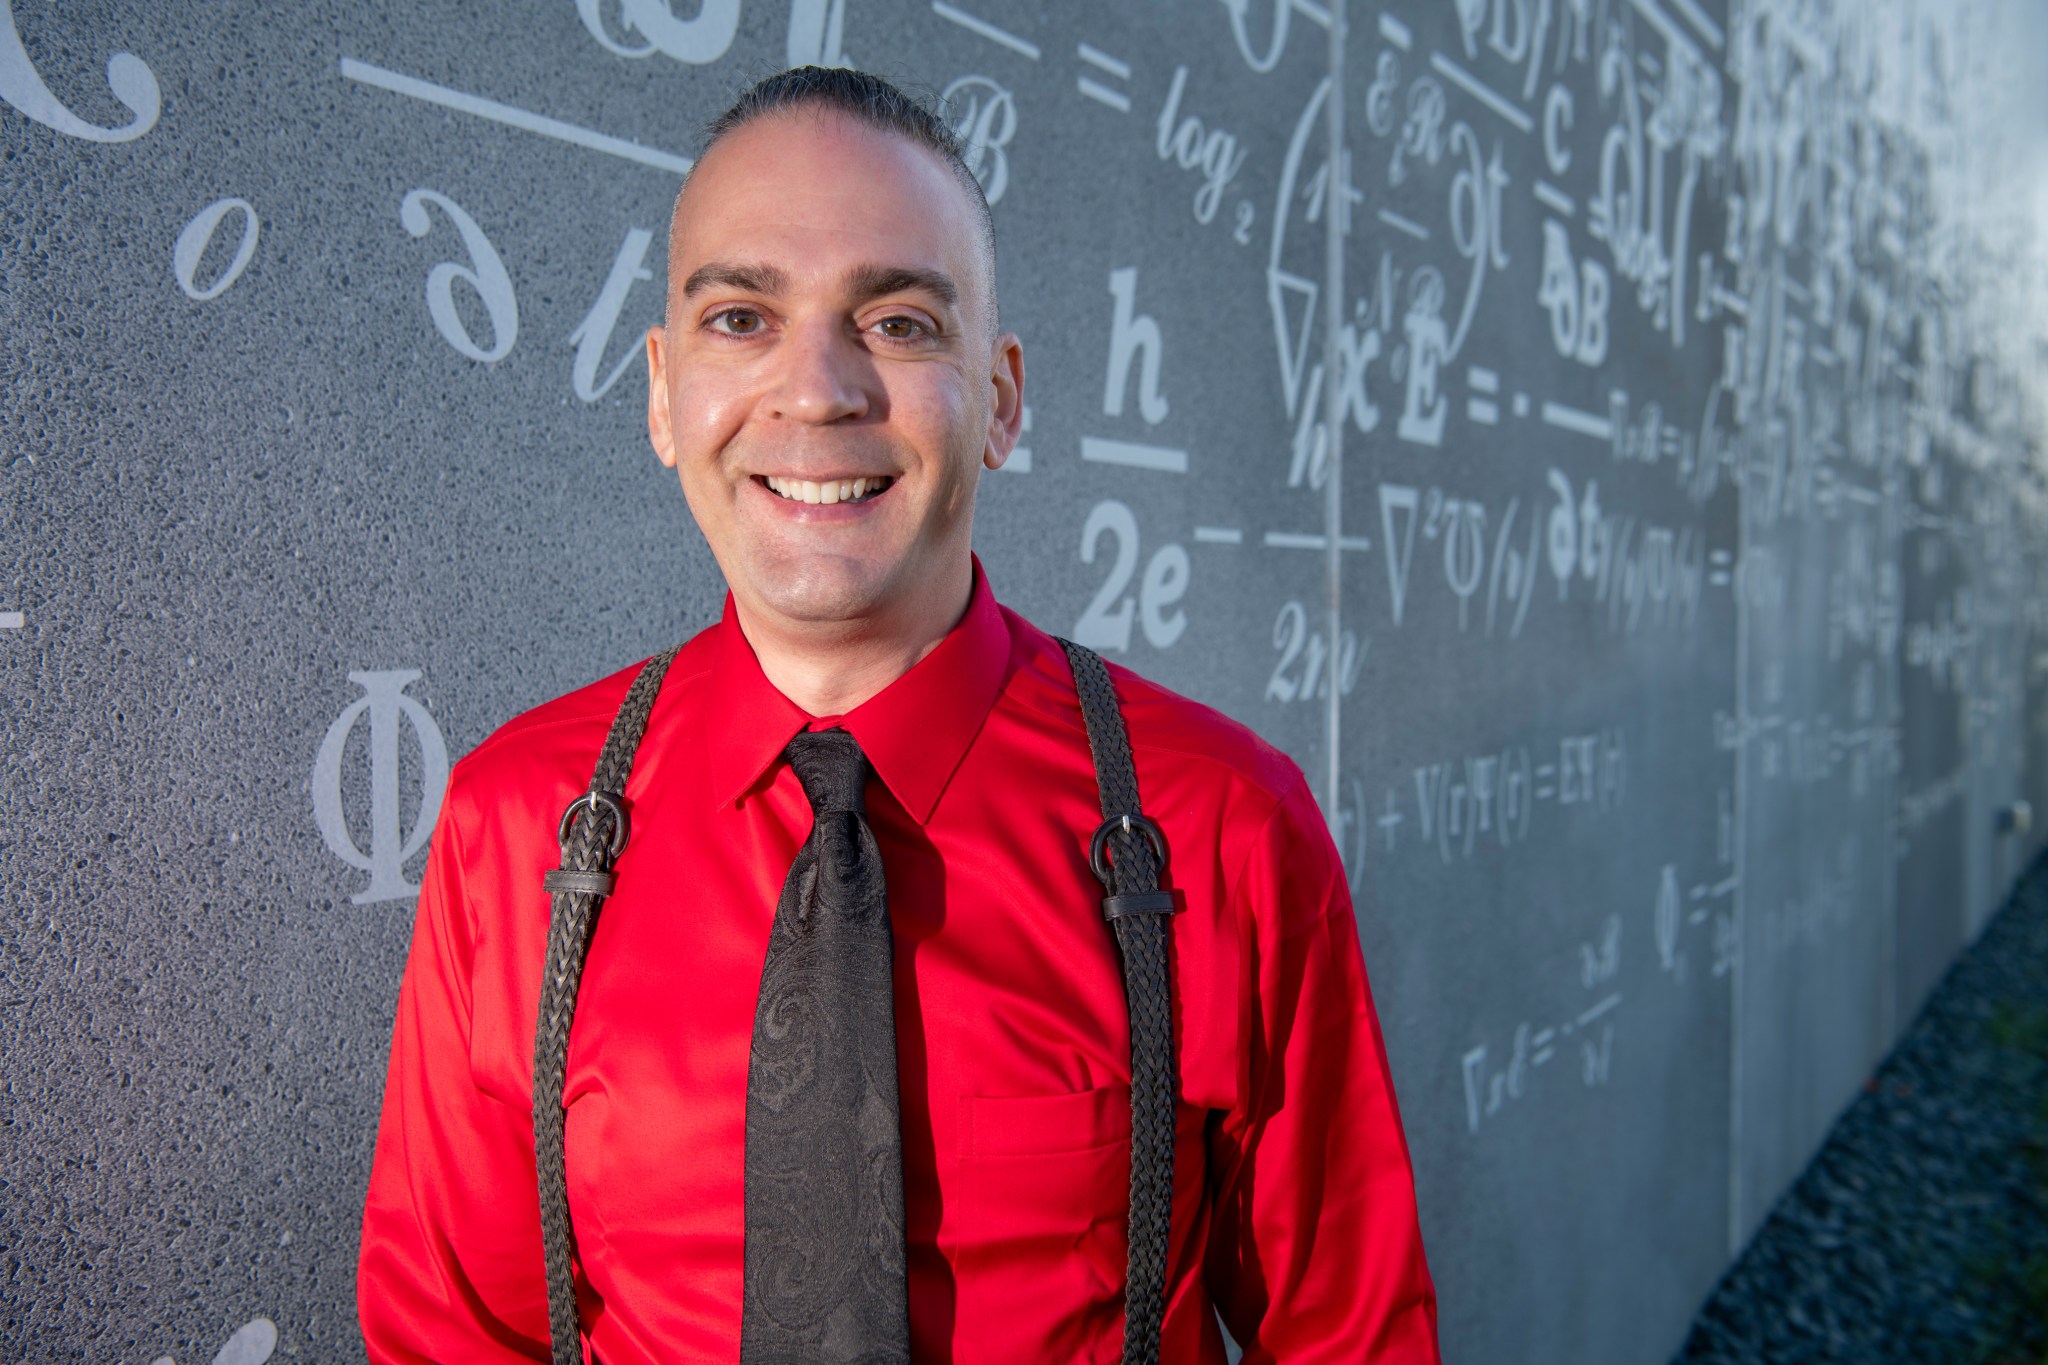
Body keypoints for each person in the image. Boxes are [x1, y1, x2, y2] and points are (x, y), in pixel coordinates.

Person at [358, 66, 1440, 1363]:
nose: (816, 393)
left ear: (999, 397)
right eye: (743, 317)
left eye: (901, 323)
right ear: (662, 391)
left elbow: (1352, 1339)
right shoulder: (514, 829)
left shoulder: (1222, 827)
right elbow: (451, 1336)